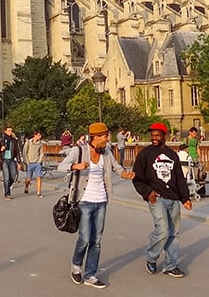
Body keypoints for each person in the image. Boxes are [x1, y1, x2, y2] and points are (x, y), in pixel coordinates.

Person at [59, 122, 134, 289]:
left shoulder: (106, 152)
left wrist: (125, 174)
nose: (108, 139)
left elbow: (117, 167)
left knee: (97, 240)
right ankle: (76, 265)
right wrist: (75, 166)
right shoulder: (78, 151)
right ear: (96, 137)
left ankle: (90, 274)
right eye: (105, 136)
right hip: (84, 201)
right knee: (84, 239)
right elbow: (61, 166)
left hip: (101, 201)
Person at [132, 122, 191, 279]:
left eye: (158, 135)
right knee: (163, 230)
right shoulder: (144, 155)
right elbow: (137, 178)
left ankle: (171, 265)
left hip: (173, 199)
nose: (154, 138)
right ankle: (152, 257)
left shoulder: (172, 155)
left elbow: (179, 178)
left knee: (174, 233)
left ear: (165, 136)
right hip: (156, 199)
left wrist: (185, 198)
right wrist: (148, 193)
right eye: (152, 135)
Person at [22, 129, 45, 197]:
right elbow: (24, 152)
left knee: (39, 177)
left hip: (37, 163)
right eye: (38, 135)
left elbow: (41, 153)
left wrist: (39, 161)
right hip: (30, 162)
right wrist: (27, 161)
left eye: (40, 135)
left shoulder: (40, 143)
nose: (40, 137)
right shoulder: (29, 142)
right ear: (35, 135)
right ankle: (26, 186)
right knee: (29, 179)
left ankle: (38, 192)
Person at [0, 126, 22, 200]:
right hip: (4, 160)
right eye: (9, 130)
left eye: (11, 131)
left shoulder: (14, 140)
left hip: (12, 159)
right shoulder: (1, 140)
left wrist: (19, 162)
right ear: (5, 131)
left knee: (13, 176)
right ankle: (7, 194)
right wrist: (0, 149)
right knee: (6, 178)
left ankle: (7, 186)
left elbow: (18, 151)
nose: (10, 132)